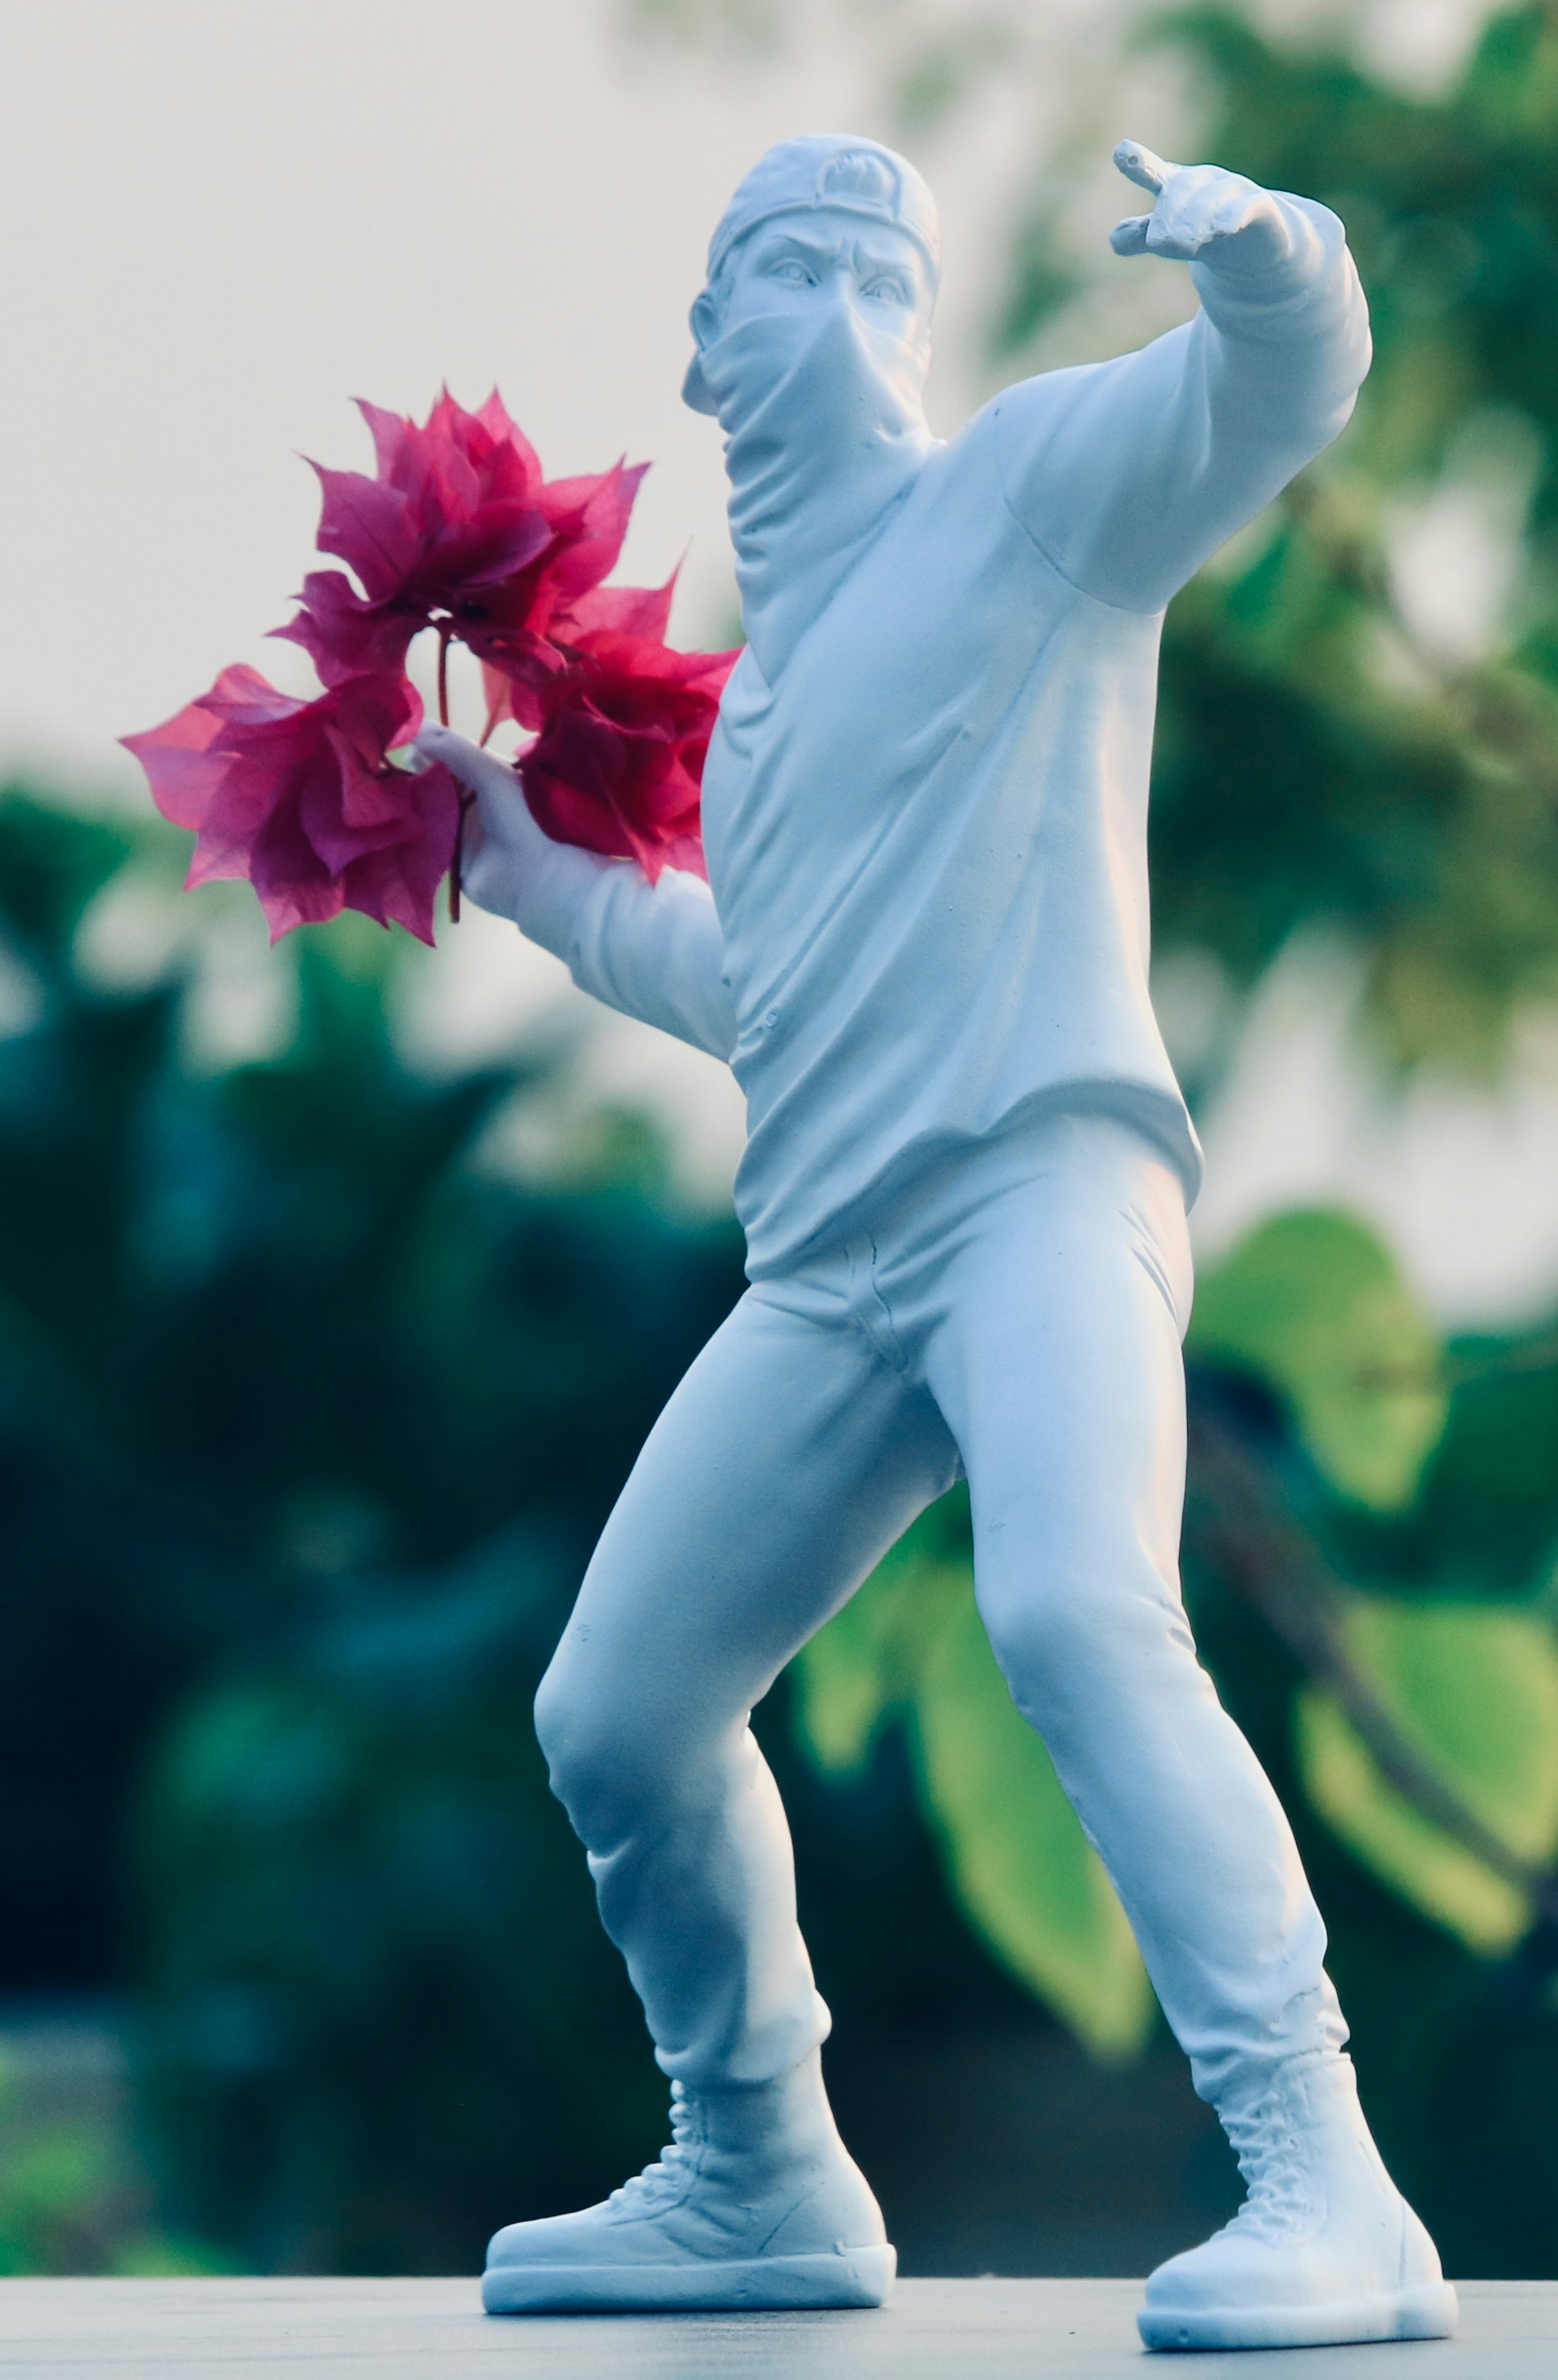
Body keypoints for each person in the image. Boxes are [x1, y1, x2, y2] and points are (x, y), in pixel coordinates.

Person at [415, 131, 1451, 2354]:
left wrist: (1270, 260)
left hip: (1039, 1195)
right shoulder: (766, 712)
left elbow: (1268, 402)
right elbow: (762, 999)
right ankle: (760, 2172)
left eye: (871, 275)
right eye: (782, 275)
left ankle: (1328, 2181)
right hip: (832, 1267)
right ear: (709, 353)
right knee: (618, 1711)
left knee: (1078, 1609)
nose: (832, 315)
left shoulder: (1029, 497)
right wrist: (526, 872)